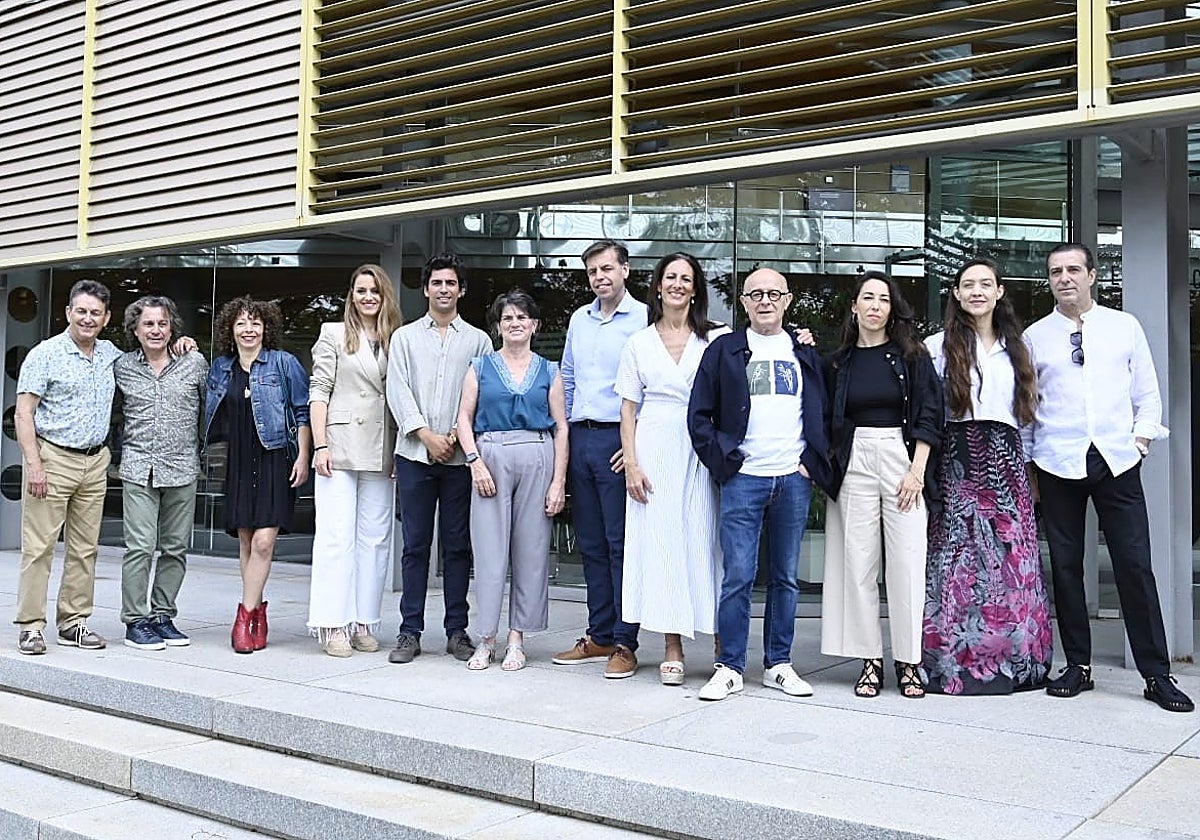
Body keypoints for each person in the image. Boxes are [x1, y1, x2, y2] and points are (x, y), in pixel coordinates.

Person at [1024, 243, 1193, 713]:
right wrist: (1030, 462)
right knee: (1065, 566)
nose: (1065, 278)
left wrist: (1138, 443)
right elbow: (1027, 408)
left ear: (1092, 276)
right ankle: (1078, 664)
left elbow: (1149, 395)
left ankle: (1156, 674)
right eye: (1056, 271)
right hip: (1058, 462)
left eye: (1073, 269)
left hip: (1116, 461)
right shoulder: (1036, 336)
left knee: (1135, 565)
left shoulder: (1125, 327)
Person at [687, 268, 832, 701]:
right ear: (744, 302)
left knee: (786, 577)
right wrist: (725, 463)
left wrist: (811, 461)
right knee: (738, 576)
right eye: (756, 294)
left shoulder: (804, 350)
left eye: (774, 293)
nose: (765, 301)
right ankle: (729, 665)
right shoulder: (724, 349)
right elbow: (698, 416)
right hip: (744, 480)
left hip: (792, 478)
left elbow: (823, 411)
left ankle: (778, 663)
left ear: (787, 300)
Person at [921, 258, 1052, 694]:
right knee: (958, 561)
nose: (976, 291)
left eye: (985, 284)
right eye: (967, 285)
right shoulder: (935, 346)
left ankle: (1017, 661)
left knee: (1012, 561)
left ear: (999, 292)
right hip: (957, 459)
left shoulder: (1021, 348)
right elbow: (924, 413)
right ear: (956, 294)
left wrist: (1029, 469)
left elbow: (1029, 417)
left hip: (1007, 460)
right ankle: (953, 663)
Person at [821, 271, 943, 700]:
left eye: (883, 299)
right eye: (867, 298)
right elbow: (822, 418)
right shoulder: (838, 362)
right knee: (858, 565)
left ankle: (909, 661)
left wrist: (916, 471)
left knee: (908, 562)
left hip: (901, 458)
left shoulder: (912, 356)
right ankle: (868, 659)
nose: (874, 305)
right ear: (854, 307)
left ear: (892, 310)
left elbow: (931, 413)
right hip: (854, 461)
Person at [618, 252, 727, 686]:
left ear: (695, 288)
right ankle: (672, 645)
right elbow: (628, 409)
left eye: (686, 278)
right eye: (670, 277)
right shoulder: (638, 342)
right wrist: (630, 462)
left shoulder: (717, 338)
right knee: (662, 544)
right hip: (656, 443)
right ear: (658, 286)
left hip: (702, 444)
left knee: (707, 539)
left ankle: (724, 645)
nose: (678, 284)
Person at [386, 253, 492, 665]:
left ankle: (456, 631)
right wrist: (427, 436)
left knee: (457, 548)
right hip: (414, 454)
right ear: (426, 288)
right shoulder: (405, 338)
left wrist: (451, 437)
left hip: (459, 459)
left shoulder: (479, 341)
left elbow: (481, 397)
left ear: (460, 290)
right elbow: (397, 391)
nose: (444, 289)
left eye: (451, 283)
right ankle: (409, 631)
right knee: (414, 546)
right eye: (437, 283)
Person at [456, 290, 568, 671]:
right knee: (489, 552)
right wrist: (474, 461)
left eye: (522, 317)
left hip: (538, 454)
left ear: (534, 325)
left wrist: (558, 481)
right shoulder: (480, 366)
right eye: (508, 318)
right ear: (498, 326)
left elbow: (562, 428)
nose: (515, 323)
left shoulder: (550, 370)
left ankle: (517, 639)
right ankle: (486, 639)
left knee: (531, 551)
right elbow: (463, 419)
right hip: (491, 455)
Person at [552, 239, 649, 679]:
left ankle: (626, 641)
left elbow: (651, 384)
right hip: (583, 438)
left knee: (619, 545)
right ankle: (600, 634)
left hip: (618, 440)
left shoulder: (645, 318)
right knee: (590, 544)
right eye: (593, 271)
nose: (600, 278)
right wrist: (567, 435)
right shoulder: (579, 318)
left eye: (607, 269)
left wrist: (633, 444)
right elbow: (568, 376)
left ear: (625, 270)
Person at [14, 280, 121, 654]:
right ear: (68, 313)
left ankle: (73, 622)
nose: (87, 319)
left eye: (95, 313)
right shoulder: (45, 354)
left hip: (95, 462)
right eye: (81, 311)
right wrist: (34, 465)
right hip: (52, 458)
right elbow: (24, 414)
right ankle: (30, 626)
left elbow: (150, 353)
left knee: (84, 549)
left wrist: (180, 343)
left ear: (106, 318)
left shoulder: (110, 354)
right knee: (39, 548)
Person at [204, 296, 311, 654]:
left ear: (267, 328)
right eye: (241, 323)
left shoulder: (284, 364)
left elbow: (301, 411)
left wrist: (304, 455)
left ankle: (243, 616)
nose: (249, 330)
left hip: (274, 456)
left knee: (265, 541)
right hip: (238, 459)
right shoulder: (221, 368)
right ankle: (259, 618)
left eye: (255, 323)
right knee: (247, 542)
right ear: (230, 330)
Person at [306, 265, 403, 657]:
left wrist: (400, 449)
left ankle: (364, 619)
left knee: (376, 539)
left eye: (374, 291)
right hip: (340, 445)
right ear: (352, 294)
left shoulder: (398, 337)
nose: (367, 297)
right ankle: (331, 623)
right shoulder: (332, 333)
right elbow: (319, 393)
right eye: (361, 290)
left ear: (384, 296)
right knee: (335, 537)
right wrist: (320, 445)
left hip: (382, 446)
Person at [114, 295, 209, 651]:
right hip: (139, 467)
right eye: (149, 324)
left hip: (183, 467)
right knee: (140, 547)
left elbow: (210, 410)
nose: (156, 330)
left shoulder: (194, 362)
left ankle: (162, 615)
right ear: (135, 330)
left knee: (175, 548)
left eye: (163, 323)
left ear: (173, 328)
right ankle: (135, 621)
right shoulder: (121, 366)